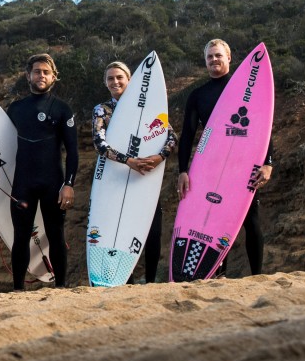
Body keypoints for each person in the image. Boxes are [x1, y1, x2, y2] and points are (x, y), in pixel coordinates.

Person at [177, 39, 273, 276]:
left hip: (243, 164)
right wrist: (182, 170)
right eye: (209, 57)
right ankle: (217, 275)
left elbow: (264, 128)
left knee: (250, 219)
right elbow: (187, 136)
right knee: (215, 220)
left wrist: (268, 163)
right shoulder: (198, 96)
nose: (214, 60)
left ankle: (257, 276)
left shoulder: (247, 90)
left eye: (218, 55)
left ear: (229, 58)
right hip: (211, 165)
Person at [91, 61, 177, 283]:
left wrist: (159, 157)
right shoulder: (102, 110)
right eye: (110, 78)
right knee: (115, 228)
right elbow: (100, 145)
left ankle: (150, 280)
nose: (115, 82)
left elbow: (171, 136)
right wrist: (128, 161)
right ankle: (121, 280)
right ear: (105, 83)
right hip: (114, 179)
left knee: (153, 230)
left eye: (120, 77)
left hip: (144, 178)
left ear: (130, 80)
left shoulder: (149, 110)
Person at [7, 53, 77, 289]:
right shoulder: (15, 109)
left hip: (52, 183)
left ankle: (61, 287)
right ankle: (17, 288)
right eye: (37, 71)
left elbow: (73, 151)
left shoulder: (62, 109)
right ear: (28, 75)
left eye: (46, 72)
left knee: (56, 235)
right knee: (20, 236)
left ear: (53, 77)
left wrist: (68, 183)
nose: (41, 76)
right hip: (23, 183)